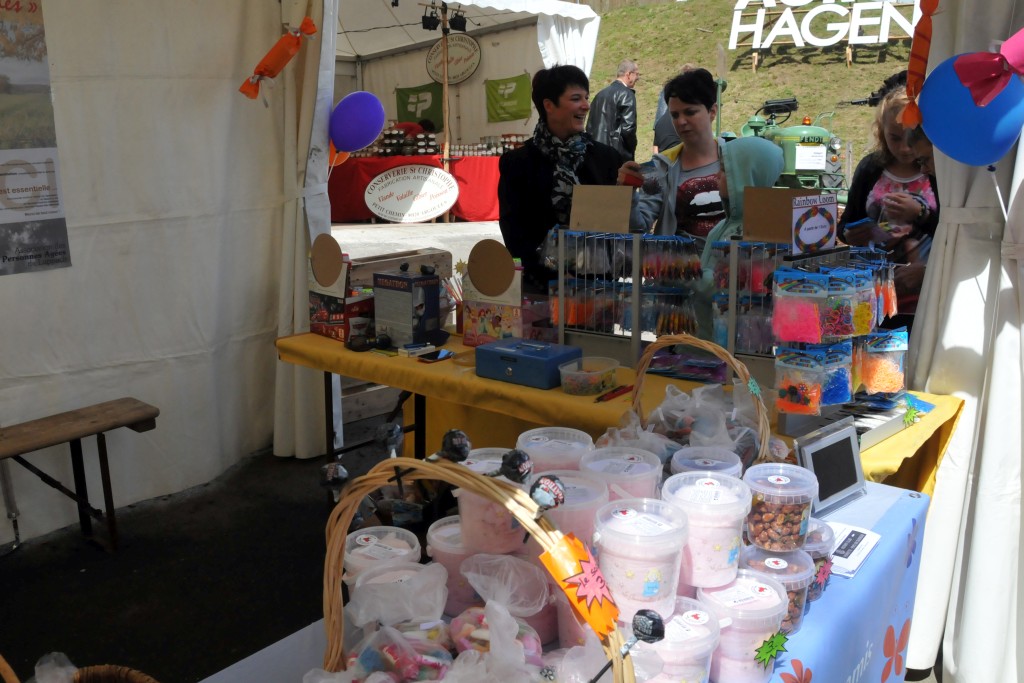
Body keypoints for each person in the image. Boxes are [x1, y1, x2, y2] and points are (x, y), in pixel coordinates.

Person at [497, 65, 623, 293]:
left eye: (586, 97)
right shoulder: (517, 163)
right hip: (541, 288)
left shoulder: (606, 158)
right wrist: (549, 273)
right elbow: (513, 231)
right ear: (549, 105)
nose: (586, 105)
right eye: (576, 98)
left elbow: (615, 227)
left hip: (596, 288)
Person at [837, 86, 939, 330]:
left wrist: (920, 214)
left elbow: (951, 231)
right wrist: (850, 234)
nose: (904, 148)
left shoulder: (936, 169)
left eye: (911, 137)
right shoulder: (870, 168)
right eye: (894, 138)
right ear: (881, 132)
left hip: (925, 296)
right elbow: (847, 224)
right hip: (872, 296)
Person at [687, 136, 784, 339]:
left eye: (725, 170)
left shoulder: (758, 233)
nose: (716, 175)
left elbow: (726, 287)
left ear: (745, 176)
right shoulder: (723, 225)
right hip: (704, 337)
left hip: (731, 343)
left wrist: (683, 273)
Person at [619, 68, 725, 245]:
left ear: (712, 111)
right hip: (677, 263)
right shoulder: (660, 168)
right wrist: (627, 194)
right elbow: (638, 227)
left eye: (690, 112)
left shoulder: (737, 160)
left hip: (731, 262)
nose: (681, 121)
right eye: (674, 115)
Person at [585, 59, 640, 160]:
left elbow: (589, 127)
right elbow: (628, 129)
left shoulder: (599, 95)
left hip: (596, 153)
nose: (638, 78)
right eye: (637, 74)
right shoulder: (627, 94)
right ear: (628, 74)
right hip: (616, 154)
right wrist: (631, 149)